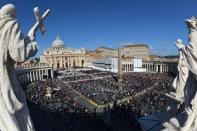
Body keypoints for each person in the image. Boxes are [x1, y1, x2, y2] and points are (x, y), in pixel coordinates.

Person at [0, 4, 37, 131]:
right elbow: (19, 54)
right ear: (13, 14)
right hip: (6, 83)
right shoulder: (10, 24)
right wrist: (33, 45)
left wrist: (27, 38)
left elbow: (10, 45)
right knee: (17, 121)